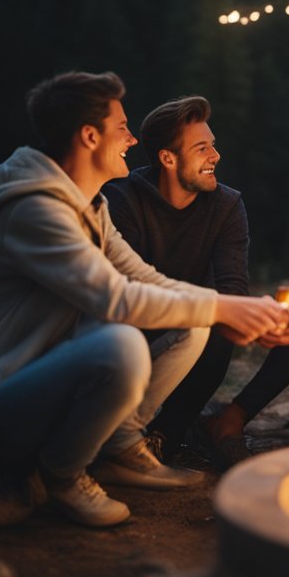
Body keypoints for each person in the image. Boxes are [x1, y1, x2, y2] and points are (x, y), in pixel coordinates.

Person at [0, 71, 289, 529]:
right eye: (122, 128)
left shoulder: (90, 207)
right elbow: (115, 296)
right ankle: (62, 476)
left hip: (27, 404)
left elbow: (145, 277)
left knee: (187, 323)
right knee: (121, 344)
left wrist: (249, 310)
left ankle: (107, 451)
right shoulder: (35, 211)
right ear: (90, 136)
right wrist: (226, 308)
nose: (133, 140)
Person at [103, 95, 256, 464]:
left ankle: (163, 439)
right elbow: (126, 293)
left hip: (191, 329)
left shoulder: (226, 206)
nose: (215, 156)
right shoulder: (122, 200)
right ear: (168, 159)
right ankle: (110, 433)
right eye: (202, 148)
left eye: (213, 146)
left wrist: (253, 320)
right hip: (128, 332)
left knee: (220, 325)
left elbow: (234, 288)